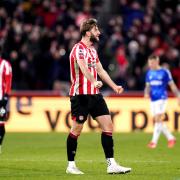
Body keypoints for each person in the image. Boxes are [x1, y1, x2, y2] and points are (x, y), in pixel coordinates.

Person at [66, 18, 131, 175]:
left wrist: (114, 86)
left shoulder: (92, 50)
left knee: (108, 126)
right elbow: (82, 67)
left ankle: (111, 164)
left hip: (95, 95)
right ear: (88, 33)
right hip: (80, 95)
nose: (99, 32)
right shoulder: (78, 49)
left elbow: (101, 70)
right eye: (96, 30)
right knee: (77, 129)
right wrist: (93, 81)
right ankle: (71, 165)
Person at [144, 55, 180, 149]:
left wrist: (178, 96)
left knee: (157, 118)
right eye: (149, 63)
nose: (150, 65)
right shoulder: (149, 73)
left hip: (162, 98)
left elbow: (172, 85)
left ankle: (153, 142)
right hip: (153, 99)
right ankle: (171, 138)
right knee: (158, 120)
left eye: (152, 63)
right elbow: (148, 86)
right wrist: (146, 93)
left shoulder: (164, 72)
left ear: (157, 61)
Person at [0, 46, 12, 153]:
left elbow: (8, 81)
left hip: (1, 99)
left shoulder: (5, 65)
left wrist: (6, 96)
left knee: (1, 123)